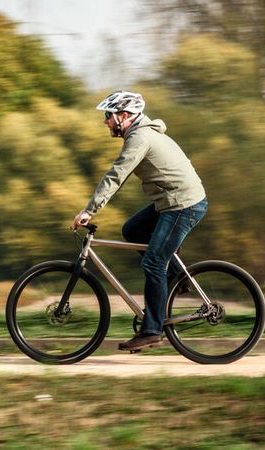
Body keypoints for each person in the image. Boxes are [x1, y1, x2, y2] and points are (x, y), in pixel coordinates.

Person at [71, 90, 208, 352]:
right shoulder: (143, 134)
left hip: (183, 204)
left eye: (108, 116)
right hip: (172, 201)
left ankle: (152, 330)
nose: (106, 122)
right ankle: (176, 277)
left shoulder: (140, 137)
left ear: (124, 116)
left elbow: (116, 175)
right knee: (132, 229)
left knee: (153, 261)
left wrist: (90, 210)